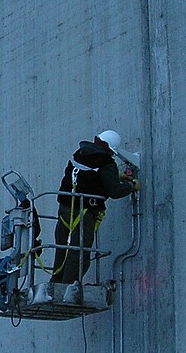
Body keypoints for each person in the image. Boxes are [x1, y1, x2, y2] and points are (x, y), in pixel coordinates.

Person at [35, 129, 138, 304]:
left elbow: (88, 178)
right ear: (111, 150)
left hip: (65, 208)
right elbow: (114, 191)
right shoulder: (106, 163)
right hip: (83, 213)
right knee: (80, 252)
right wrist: (131, 187)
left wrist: (115, 176)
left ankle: (56, 282)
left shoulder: (80, 154)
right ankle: (67, 288)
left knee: (63, 248)